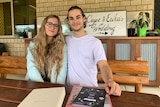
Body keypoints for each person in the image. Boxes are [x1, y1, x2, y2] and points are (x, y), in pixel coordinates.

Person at [66, 6, 121, 96]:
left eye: (78, 17)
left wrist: (109, 81)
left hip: (90, 90)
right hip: (70, 91)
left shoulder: (95, 42)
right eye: (71, 18)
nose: (75, 21)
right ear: (68, 22)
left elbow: (103, 65)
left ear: (84, 19)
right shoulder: (66, 41)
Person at [25, 14, 67, 84]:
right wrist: (42, 86)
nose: (52, 27)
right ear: (44, 25)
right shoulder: (33, 45)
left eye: (56, 25)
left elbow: (63, 67)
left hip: (54, 83)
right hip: (35, 83)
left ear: (58, 29)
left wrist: (58, 86)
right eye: (49, 24)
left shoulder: (62, 46)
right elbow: (31, 67)